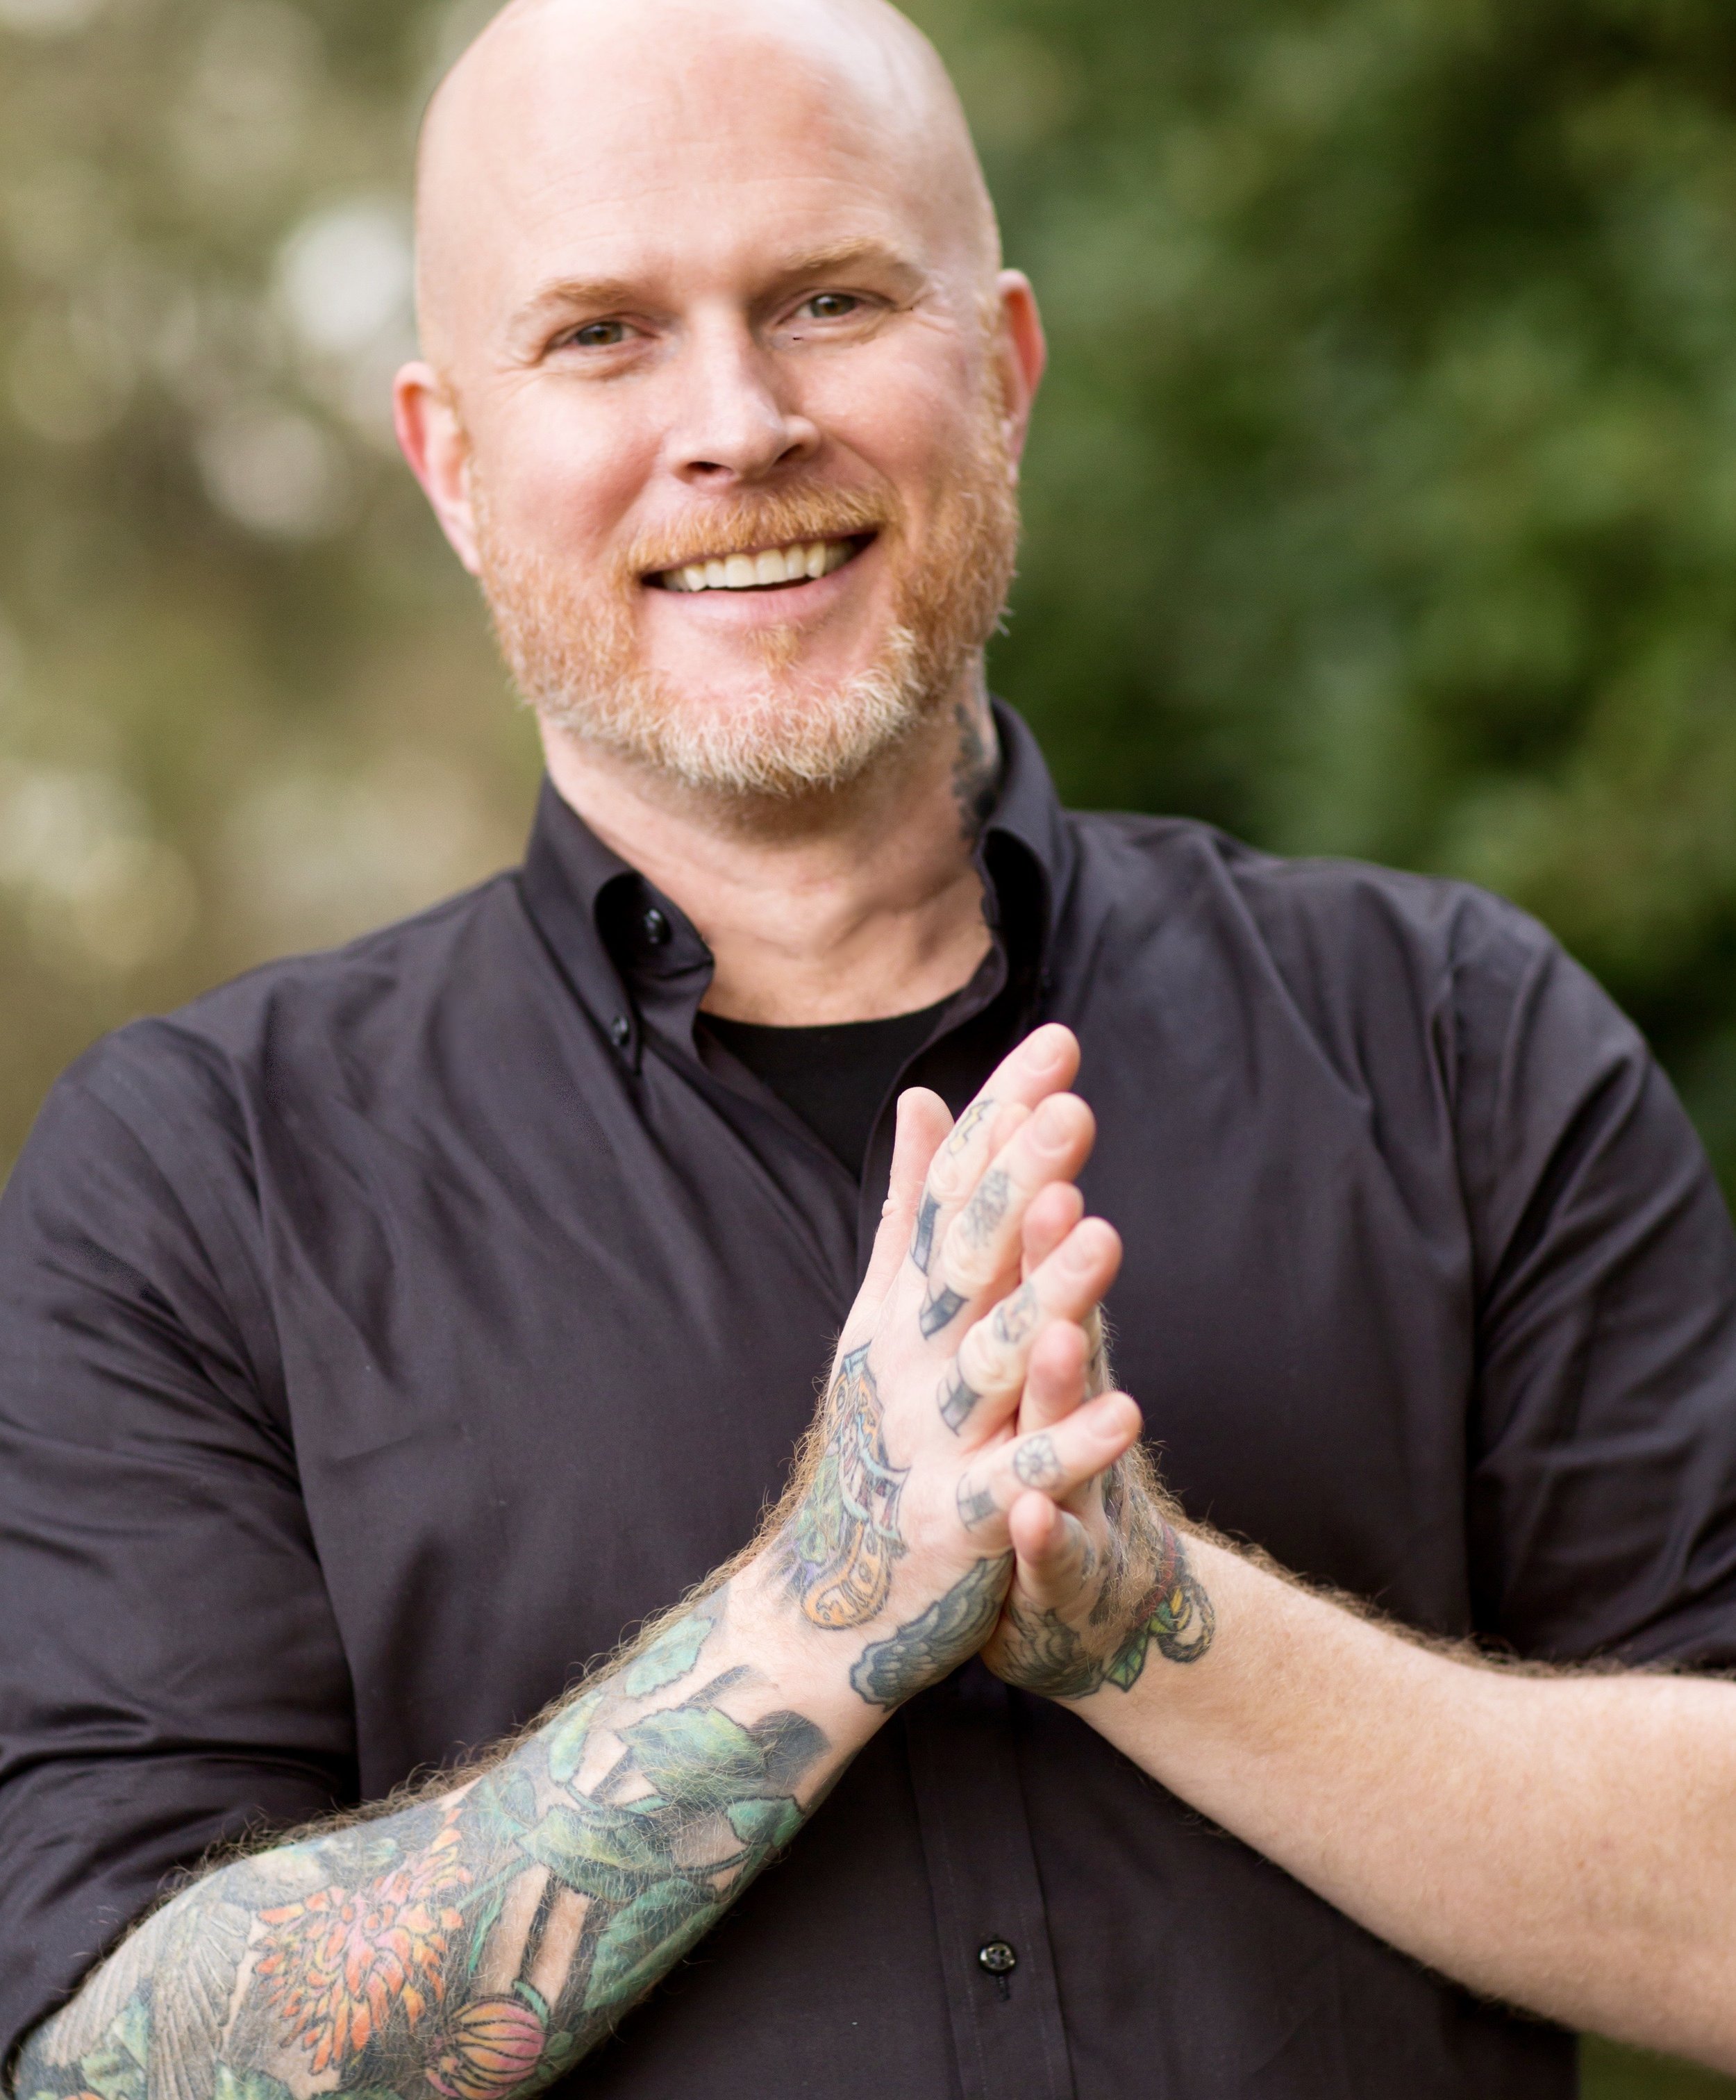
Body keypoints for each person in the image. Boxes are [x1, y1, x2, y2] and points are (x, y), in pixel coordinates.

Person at [4, 0, 1736, 2094]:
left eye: (827, 297)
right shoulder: (197, 1183)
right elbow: (108, 2067)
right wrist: (820, 1617)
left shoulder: (1455, 1043)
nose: (735, 423)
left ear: (999, 369)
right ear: (452, 462)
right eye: (599, 336)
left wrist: (1142, 1626)